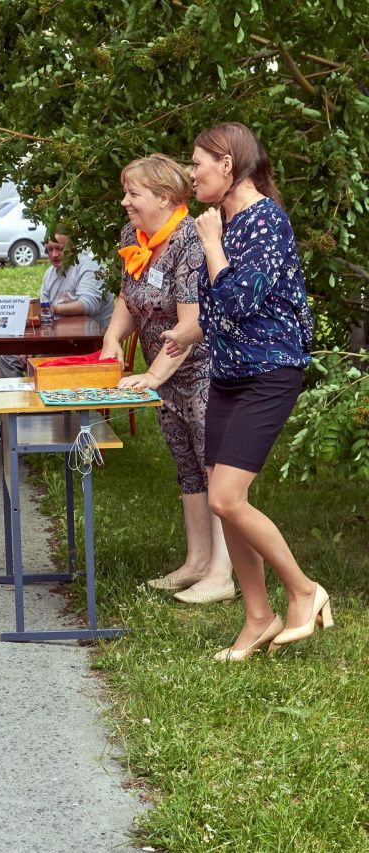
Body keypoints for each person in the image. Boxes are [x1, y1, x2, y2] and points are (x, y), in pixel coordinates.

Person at [164, 123, 322, 660]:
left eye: (198, 163)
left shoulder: (264, 222)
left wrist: (209, 244)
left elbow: (236, 303)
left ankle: (303, 591)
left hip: (270, 372)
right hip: (229, 374)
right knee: (226, 502)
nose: (192, 173)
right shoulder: (225, 223)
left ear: (227, 165)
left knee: (226, 497)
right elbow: (209, 314)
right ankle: (258, 616)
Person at [102, 154, 233, 603]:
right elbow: (128, 294)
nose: (125, 202)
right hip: (166, 378)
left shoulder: (188, 242)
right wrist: (112, 339)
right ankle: (197, 562)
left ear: (164, 197)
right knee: (187, 467)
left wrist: (152, 375)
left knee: (215, 468)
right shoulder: (134, 236)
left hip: (202, 373)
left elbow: (191, 326)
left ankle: (223, 572)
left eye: (133, 194)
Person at [0, 231, 114, 379]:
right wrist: (28, 345)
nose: (54, 255)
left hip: (90, 345)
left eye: (59, 249)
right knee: (6, 356)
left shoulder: (89, 266)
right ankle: (16, 400)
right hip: (58, 341)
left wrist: (53, 309)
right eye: (50, 250)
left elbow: (88, 305)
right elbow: (45, 319)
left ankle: (39, 398)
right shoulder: (50, 274)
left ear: (74, 247)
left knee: (39, 358)